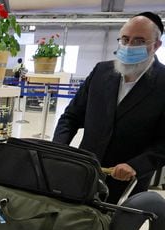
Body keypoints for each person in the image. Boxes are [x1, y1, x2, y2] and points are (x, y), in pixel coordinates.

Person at [53, 12, 165, 204]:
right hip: (84, 174)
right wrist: (58, 149)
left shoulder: (162, 83)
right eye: (125, 39)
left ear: (155, 45)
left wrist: (135, 166)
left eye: (139, 41)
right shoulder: (101, 71)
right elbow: (71, 117)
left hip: (128, 184)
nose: (129, 46)